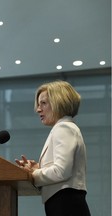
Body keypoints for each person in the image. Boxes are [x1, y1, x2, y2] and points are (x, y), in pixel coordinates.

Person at [15, 80, 91, 216]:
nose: (38, 109)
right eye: (38, 104)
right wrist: (38, 168)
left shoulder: (63, 128)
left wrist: (33, 174)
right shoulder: (64, 127)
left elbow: (61, 171)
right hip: (65, 203)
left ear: (59, 102)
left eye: (43, 103)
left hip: (66, 204)